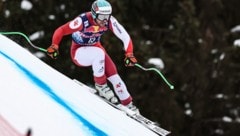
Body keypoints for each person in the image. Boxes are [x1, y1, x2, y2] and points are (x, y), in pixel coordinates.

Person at [46, 0, 139, 113]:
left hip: (96, 50)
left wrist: (129, 53)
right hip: (79, 53)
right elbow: (61, 30)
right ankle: (101, 85)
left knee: (115, 76)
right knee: (99, 53)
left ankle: (129, 105)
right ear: (94, 14)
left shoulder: (109, 21)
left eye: (107, 16)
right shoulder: (82, 21)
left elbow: (125, 36)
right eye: (102, 16)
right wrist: (54, 45)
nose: (105, 20)